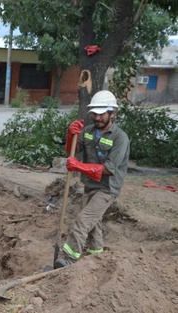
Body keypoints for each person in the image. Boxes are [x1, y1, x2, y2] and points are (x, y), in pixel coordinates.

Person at [54, 90, 130, 268]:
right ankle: (97, 257)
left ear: (113, 113)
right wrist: (71, 135)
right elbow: (71, 152)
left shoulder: (120, 138)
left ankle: (69, 259)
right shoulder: (88, 132)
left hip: (107, 188)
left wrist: (78, 166)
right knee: (94, 224)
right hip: (89, 185)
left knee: (83, 220)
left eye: (101, 114)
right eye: (94, 113)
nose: (97, 117)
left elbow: (108, 169)